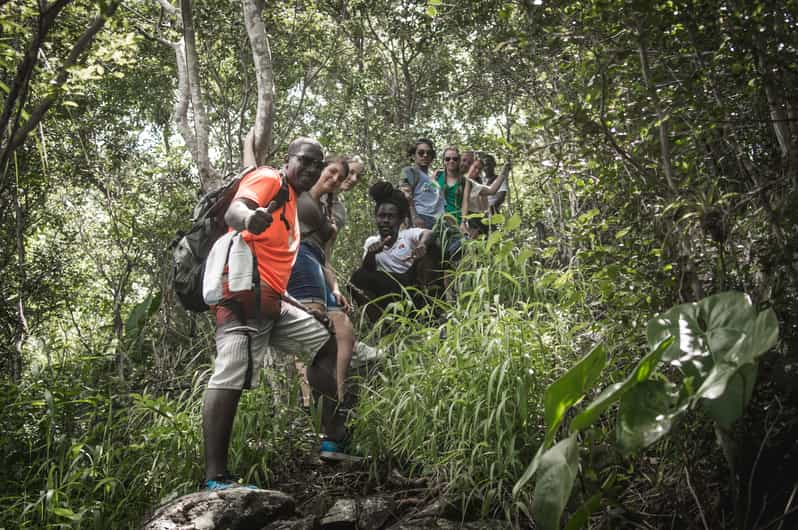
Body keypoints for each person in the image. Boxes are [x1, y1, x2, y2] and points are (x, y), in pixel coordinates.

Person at [202, 137, 348, 490]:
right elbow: (237, 210)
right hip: (240, 297)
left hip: (272, 300)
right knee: (230, 375)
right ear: (289, 159)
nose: (312, 170)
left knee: (325, 343)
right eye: (306, 161)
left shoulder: (294, 205)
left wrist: (301, 308)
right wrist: (249, 218)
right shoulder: (269, 178)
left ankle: (332, 442)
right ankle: (216, 478)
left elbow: (275, 271)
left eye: (318, 164)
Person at [287, 155, 355, 411]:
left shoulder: (331, 213)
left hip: (318, 264)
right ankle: (308, 399)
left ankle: (337, 397)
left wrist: (336, 289)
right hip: (299, 256)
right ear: (321, 168)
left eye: (341, 176)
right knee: (312, 326)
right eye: (332, 171)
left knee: (344, 328)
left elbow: (327, 259)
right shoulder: (299, 193)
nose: (335, 178)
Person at [350, 182, 434, 323]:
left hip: (413, 285)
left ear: (400, 219)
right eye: (381, 216)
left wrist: (422, 245)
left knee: (433, 249)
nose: (385, 221)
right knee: (357, 279)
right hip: (390, 291)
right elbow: (366, 273)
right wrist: (372, 254)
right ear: (376, 218)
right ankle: (382, 325)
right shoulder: (372, 242)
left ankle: (434, 311)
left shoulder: (407, 235)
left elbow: (428, 232)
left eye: (390, 216)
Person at [462, 156, 512, 237]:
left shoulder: (475, 184)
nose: (476, 171)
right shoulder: (460, 179)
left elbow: (492, 192)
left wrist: (504, 172)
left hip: (477, 219)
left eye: (479, 169)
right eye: (475, 167)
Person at [399, 138, 443, 229]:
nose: (425, 155)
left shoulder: (434, 180)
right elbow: (405, 195)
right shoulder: (410, 171)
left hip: (439, 222)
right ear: (414, 155)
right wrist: (414, 217)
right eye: (421, 153)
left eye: (429, 153)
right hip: (421, 217)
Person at [433, 146, 467, 228]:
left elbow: (465, 203)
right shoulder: (438, 175)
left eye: (455, 159)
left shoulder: (464, 180)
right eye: (447, 159)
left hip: (456, 220)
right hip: (439, 220)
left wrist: (464, 222)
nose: (451, 161)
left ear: (459, 161)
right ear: (443, 161)